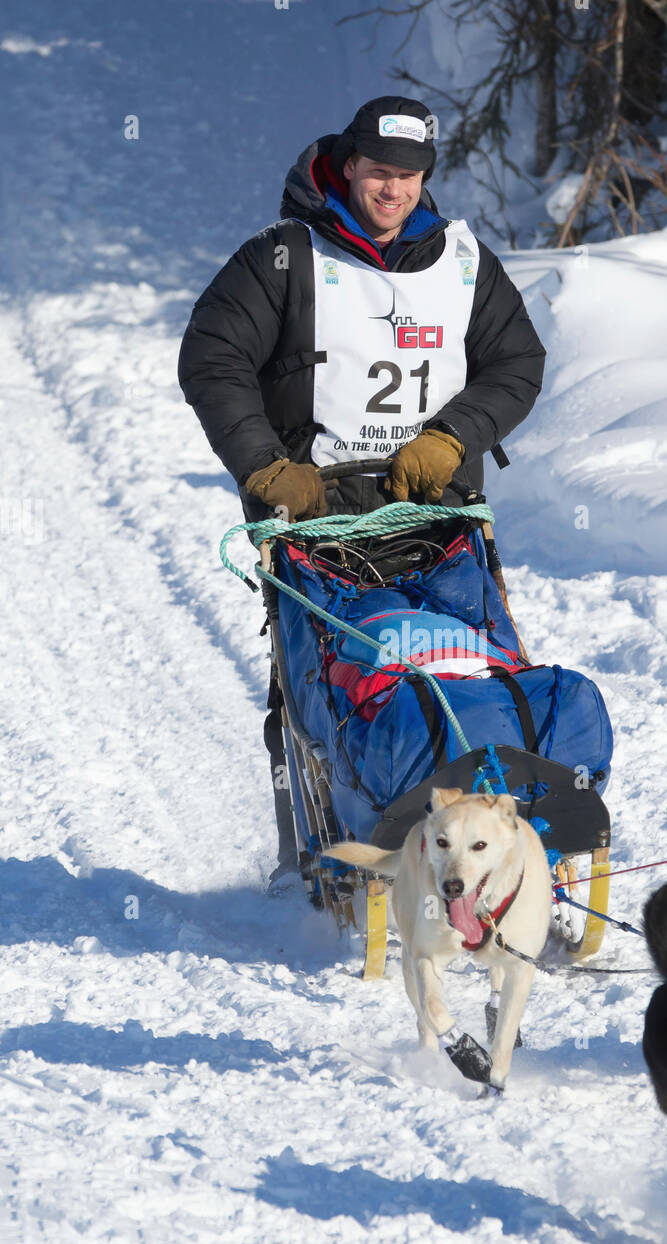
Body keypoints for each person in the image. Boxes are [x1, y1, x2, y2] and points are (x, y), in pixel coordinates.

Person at [178, 95, 546, 889]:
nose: (393, 190)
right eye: (379, 172)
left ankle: (487, 838)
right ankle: (312, 852)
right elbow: (212, 358)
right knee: (320, 673)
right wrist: (267, 468)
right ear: (348, 168)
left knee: (464, 659)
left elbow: (517, 363)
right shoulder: (284, 257)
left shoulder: (465, 261)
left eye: (409, 176)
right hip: (314, 508)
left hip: (436, 503)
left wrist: (453, 437)